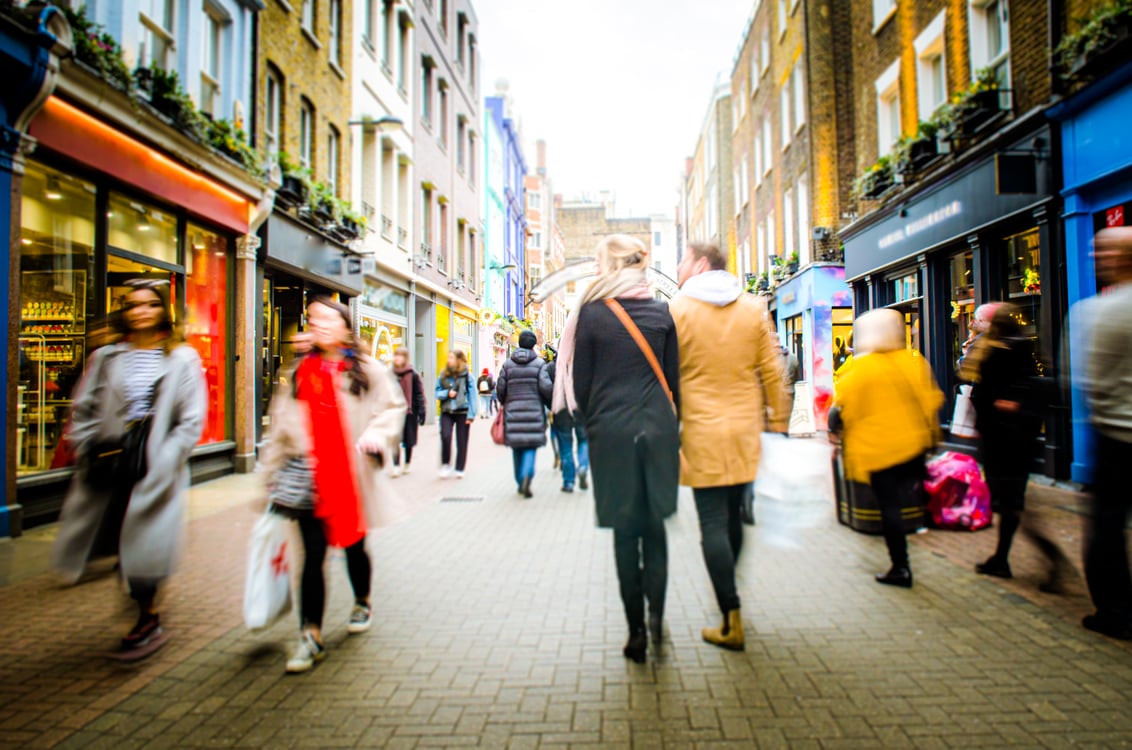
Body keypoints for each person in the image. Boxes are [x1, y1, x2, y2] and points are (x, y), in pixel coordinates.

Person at [52, 280, 206, 656]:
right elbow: (84, 406)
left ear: (162, 311)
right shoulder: (107, 357)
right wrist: (87, 445)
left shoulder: (181, 357)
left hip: (154, 463)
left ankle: (147, 614)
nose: (139, 312)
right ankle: (141, 603)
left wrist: (166, 459)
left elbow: (191, 419)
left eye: (149, 305)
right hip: (112, 461)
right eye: (132, 305)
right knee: (123, 536)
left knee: (147, 541)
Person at [260, 297, 406, 673]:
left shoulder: (365, 369)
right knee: (311, 556)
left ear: (345, 327)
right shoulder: (297, 371)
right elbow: (279, 424)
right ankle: (311, 635)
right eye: (313, 319)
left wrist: (377, 436)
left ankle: (362, 599)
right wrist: (269, 474)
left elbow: (392, 407)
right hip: (307, 476)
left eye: (328, 319)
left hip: (348, 476)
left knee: (354, 548)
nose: (319, 324)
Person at [556, 234, 680, 663]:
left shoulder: (591, 314)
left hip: (612, 435)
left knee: (626, 536)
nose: (593, 269)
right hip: (658, 434)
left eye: (596, 262)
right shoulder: (663, 313)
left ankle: (635, 634)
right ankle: (657, 617)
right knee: (656, 532)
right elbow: (674, 384)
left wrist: (596, 424)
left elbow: (583, 386)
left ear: (610, 265)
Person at [670, 242, 789, 651]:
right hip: (745, 430)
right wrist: (779, 422)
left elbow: (668, 375)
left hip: (701, 430)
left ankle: (730, 615)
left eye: (684, 259)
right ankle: (731, 595)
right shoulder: (753, 307)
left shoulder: (678, 309)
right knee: (736, 517)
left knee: (712, 524)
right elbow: (773, 371)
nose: (679, 266)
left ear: (701, 263)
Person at [832, 308, 943, 589]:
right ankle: (913, 540)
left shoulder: (861, 368)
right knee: (909, 500)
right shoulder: (913, 362)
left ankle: (900, 566)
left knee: (889, 507)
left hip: (878, 449)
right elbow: (932, 399)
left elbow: (844, 409)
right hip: (912, 446)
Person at [960, 304, 1067, 585]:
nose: (975, 323)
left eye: (980, 320)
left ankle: (1046, 556)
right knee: (1012, 501)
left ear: (991, 324)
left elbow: (977, 388)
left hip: (1000, 440)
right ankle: (1003, 558)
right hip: (1020, 438)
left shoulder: (993, 352)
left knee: (1009, 503)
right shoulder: (1023, 350)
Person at [1082, 226, 1132, 640]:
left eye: (1101, 252)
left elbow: (1087, 381)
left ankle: (1114, 612)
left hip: (1115, 435)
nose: (1095, 257)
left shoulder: (1096, 312)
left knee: (1107, 527)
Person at [496, 330, 553, 497]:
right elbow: (546, 388)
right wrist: (549, 405)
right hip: (534, 411)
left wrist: (504, 401)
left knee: (517, 448)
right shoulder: (539, 364)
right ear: (533, 344)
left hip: (513, 411)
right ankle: (527, 475)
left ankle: (520, 481)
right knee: (530, 446)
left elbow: (500, 388)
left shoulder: (507, 364)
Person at [545, 351, 591, 494]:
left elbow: (546, 388)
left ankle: (569, 482)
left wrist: (551, 404)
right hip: (580, 408)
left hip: (562, 408)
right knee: (583, 440)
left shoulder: (552, 367)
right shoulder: (583, 364)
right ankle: (583, 467)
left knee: (566, 446)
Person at [435, 350, 477, 478]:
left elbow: (473, 396)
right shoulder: (443, 374)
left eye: (451, 358)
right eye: (448, 357)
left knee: (462, 440)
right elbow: (437, 392)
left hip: (462, 411)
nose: (449, 360)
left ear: (458, 360)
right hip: (447, 411)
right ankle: (446, 464)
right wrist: (447, 394)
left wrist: (471, 415)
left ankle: (460, 468)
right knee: (445, 436)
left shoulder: (468, 376)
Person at [391, 347, 426, 477]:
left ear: (405, 358)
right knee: (394, 439)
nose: (397, 358)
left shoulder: (413, 374)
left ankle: (407, 463)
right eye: (396, 356)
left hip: (409, 412)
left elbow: (419, 393)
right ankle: (395, 465)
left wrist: (422, 410)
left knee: (408, 439)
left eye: (400, 356)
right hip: (393, 411)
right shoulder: (390, 373)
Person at [781, 344, 801, 422]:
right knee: (789, 410)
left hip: (780, 390)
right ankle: (786, 426)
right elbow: (797, 376)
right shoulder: (794, 358)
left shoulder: (775, 359)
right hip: (791, 389)